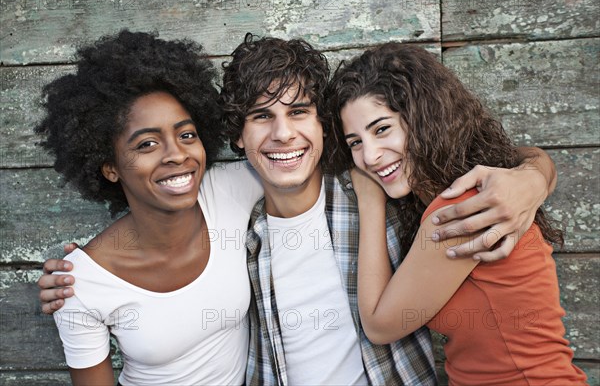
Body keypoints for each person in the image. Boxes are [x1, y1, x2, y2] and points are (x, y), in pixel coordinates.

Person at [39, 34, 558, 385]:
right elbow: (158, 200)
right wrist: (80, 275)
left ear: (321, 126)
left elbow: (480, 163)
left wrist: (531, 177)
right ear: (238, 138)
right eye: (261, 116)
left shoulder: (381, 188)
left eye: (299, 112)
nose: (283, 133)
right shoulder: (230, 210)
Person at [328, 42, 588, 385]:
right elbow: (528, 155)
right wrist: (536, 172)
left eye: (381, 129)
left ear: (422, 118)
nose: (371, 156)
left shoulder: (459, 209)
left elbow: (379, 325)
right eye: (355, 143)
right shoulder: (481, 183)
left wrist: (369, 198)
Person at [35, 30, 262, 385]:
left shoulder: (230, 189)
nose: (176, 154)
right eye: (147, 144)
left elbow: (304, 163)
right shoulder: (76, 283)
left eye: (187, 135)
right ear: (109, 166)